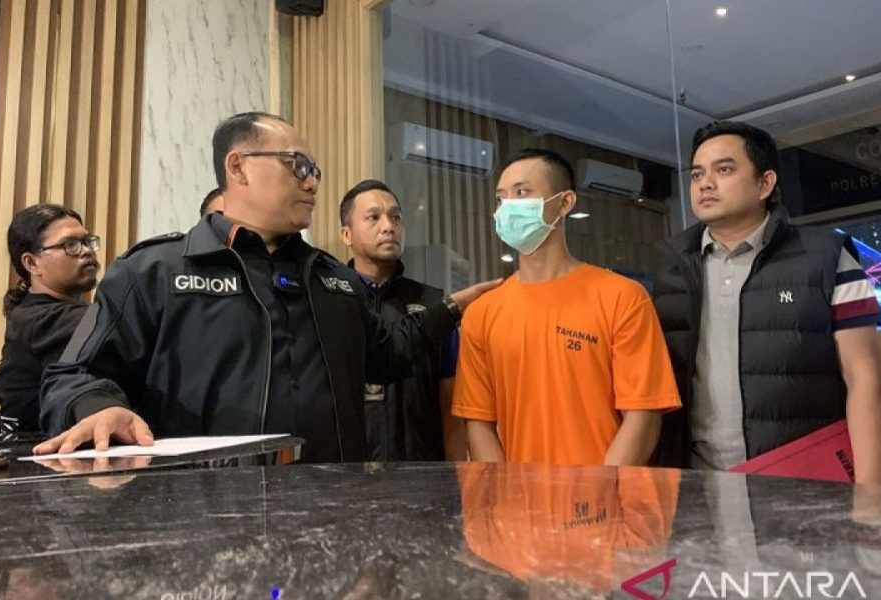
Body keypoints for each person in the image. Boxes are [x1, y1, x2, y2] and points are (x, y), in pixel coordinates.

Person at [34, 112, 499, 462]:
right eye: (298, 165)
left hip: (331, 516)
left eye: (314, 170)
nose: (312, 182)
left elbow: (387, 354)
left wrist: (449, 309)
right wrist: (97, 407)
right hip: (203, 522)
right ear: (238, 167)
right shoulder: (154, 271)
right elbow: (71, 375)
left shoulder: (332, 279)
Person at [652, 121, 881, 485]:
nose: (705, 183)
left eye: (724, 169)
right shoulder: (672, 271)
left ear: (765, 183)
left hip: (804, 480)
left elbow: (865, 377)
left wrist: (872, 491)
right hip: (700, 484)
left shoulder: (827, 258)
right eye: (697, 174)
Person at [452, 148, 681, 466]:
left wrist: (602, 489)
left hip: (606, 490)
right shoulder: (482, 312)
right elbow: (478, 422)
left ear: (565, 202)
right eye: (501, 198)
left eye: (522, 192)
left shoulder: (623, 297)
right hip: (518, 493)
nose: (508, 207)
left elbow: (643, 415)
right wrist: (505, 490)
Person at [339, 179, 466, 461]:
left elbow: (451, 407)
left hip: (422, 471)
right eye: (373, 217)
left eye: (396, 217)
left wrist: (457, 476)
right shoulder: (332, 302)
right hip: (349, 474)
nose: (388, 227)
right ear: (347, 234)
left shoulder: (435, 306)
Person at [0, 204, 100, 432]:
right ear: (32, 263)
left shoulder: (31, 313)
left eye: (87, 241)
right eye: (70, 244)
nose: (86, 251)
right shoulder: (44, 319)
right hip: (40, 451)